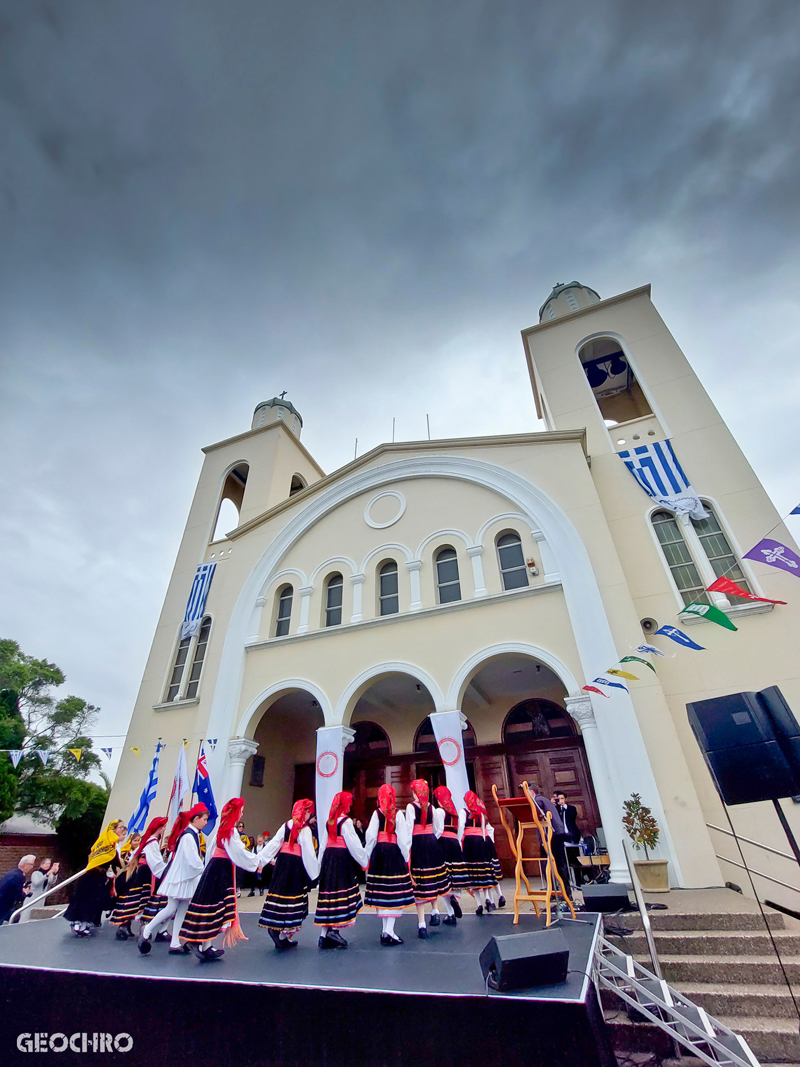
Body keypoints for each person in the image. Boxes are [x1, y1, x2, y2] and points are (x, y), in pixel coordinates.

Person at [180, 797, 260, 962]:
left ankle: (205, 944)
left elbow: (211, 850)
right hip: (221, 869)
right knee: (214, 905)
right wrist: (257, 862)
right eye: (242, 811)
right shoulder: (230, 830)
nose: (242, 814)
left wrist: (208, 867)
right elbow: (238, 852)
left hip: (215, 867)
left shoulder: (223, 828)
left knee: (210, 904)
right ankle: (200, 942)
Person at [138, 803, 209, 955]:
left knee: (181, 908)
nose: (205, 822)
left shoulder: (191, 834)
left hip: (184, 877)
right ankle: (147, 930)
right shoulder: (189, 836)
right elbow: (192, 859)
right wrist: (204, 871)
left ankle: (175, 942)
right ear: (196, 818)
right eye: (204, 819)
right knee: (171, 907)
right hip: (180, 877)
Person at [258, 799, 319, 951]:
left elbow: (274, 845)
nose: (308, 815)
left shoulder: (286, 825)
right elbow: (309, 853)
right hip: (295, 867)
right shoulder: (304, 830)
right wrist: (315, 874)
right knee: (293, 898)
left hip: (282, 864)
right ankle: (281, 933)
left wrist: (259, 861)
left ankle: (279, 932)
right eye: (307, 812)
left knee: (279, 895)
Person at [314, 791, 368, 949]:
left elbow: (323, 845)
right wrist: (364, 859)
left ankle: (323, 936)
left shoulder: (330, 821)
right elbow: (353, 844)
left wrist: (320, 864)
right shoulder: (346, 822)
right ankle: (334, 931)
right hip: (340, 859)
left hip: (329, 859)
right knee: (340, 892)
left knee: (329, 895)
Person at [364, 784, 415, 945]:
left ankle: (385, 931)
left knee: (382, 892)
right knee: (394, 892)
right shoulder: (398, 814)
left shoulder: (376, 814)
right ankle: (389, 931)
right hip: (393, 853)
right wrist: (406, 856)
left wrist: (368, 855)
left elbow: (371, 836)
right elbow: (403, 838)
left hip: (379, 853)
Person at [109, 817, 168, 940]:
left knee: (136, 899)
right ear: (159, 828)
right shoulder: (152, 842)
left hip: (142, 872)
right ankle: (135, 928)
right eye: (163, 827)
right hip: (145, 874)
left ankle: (126, 926)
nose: (164, 829)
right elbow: (156, 863)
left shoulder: (149, 840)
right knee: (140, 900)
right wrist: (167, 871)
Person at [64, 820, 126, 936]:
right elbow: (97, 858)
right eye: (120, 827)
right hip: (91, 876)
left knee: (92, 901)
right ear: (113, 829)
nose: (122, 830)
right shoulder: (104, 843)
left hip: (100, 878)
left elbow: (115, 861)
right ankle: (77, 922)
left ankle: (84, 923)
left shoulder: (113, 845)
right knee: (83, 898)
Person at [406, 779, 450, 938]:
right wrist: (431, 838)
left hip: (418, 844)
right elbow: (439, 829)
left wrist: (407, 846)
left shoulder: (411, 807)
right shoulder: (433, 808)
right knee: (432, 878)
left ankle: (421, 924)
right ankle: (435, 911)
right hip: (431, 843)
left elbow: (409, 828)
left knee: (420, 881)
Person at [432, 786, 468, 924]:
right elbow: (459, 831)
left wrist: (433, 840)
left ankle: (450, 913)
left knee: (442, 878)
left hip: (444, 843)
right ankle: (452, 907)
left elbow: (439, 829)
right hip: (454, 843)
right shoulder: (455, 814)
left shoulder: (439, 811)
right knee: (453, 877)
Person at [533, 786, 572, 901]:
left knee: (549, 865)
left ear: (530, 791)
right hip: (556, 835)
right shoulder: (545, 800)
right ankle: (565, 892)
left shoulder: (537, 801)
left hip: (550, 836)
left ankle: (556, 892)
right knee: (559, 865)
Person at [461, 792, 496, 915]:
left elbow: (461, 829)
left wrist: (461, 843)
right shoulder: (480, 813)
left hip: (469, 843)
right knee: (483, 872)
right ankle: (487, 898)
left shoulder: (464, 812)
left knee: (473, 874)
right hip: (481, 842)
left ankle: (479, 904)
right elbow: (483, 830)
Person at [19, 858, 59, 922]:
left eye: (49, 864)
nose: (47, 865)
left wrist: (54, 873)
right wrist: (47, 875)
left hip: (41, 898)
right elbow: (37, 883)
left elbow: (52, 882)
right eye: (46, 864)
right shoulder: (36, 873)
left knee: (36, 917)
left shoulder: (49, 874)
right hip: (32, 898)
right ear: (41, 865)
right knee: (26, 915)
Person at [0, 855, 36, 924]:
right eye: (31, 865)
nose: (32, 867)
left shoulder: (12, 873)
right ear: (26, 865)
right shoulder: (20, 876)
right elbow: (18, 896)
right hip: (5, 905)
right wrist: (25, 892)